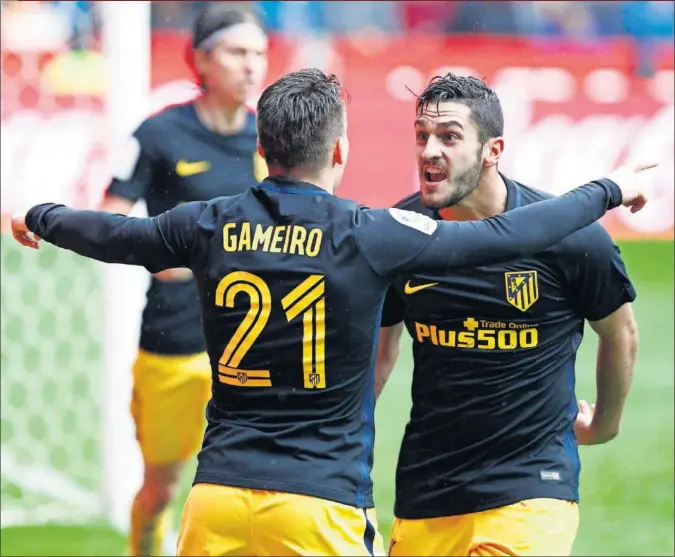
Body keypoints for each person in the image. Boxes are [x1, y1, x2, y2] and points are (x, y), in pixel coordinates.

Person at [11, 69, 650, 557]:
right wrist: (610, 188)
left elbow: (115, 236)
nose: (429, 149)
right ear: (340, 153)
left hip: (217, 498)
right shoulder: (372, 233)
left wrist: (42, 217)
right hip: (319, 502)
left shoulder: (206, 223)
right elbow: (505, 239)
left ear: (261, 148)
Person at [376, 73, 647, 557]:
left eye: (449, 137)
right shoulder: (404, 233)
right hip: (427, 489)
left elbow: (620, 331)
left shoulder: (572, 240)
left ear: (493, 149)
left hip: (532, 483)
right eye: (422, 136)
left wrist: (606, 422)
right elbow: (380, 350)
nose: (429, 150)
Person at [98, 4, 269, 555]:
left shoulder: (271, 140)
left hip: (255, 344)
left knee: (253, 487)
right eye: (238, 53)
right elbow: (112, 220)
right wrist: (190, 260)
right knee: (162, 487)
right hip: (173, 341)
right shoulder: (157, 134)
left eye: (260, 54)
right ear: (201, 59)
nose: (252, 67)